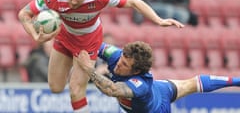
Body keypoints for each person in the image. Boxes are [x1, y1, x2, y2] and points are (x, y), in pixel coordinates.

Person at [18, 0, 184, 112]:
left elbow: (133, 2)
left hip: (88, 42)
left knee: (76, 90)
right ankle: (73, 68)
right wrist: (34, 35)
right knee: (55, 87)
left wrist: (158, 20)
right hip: (64, 37)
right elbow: (24, 14)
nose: (74, 1)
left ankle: (79, 82)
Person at [76, 41, 240, 113]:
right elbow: (94, 44)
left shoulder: (140, 84)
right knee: (191, 84)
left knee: (191, 85)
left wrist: (88, 68)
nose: (119, 64)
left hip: (156, 108)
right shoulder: (118, 56)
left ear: (136, 72)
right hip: (160, 88)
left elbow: (111, 89)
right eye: (122, 59)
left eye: (125, 65)